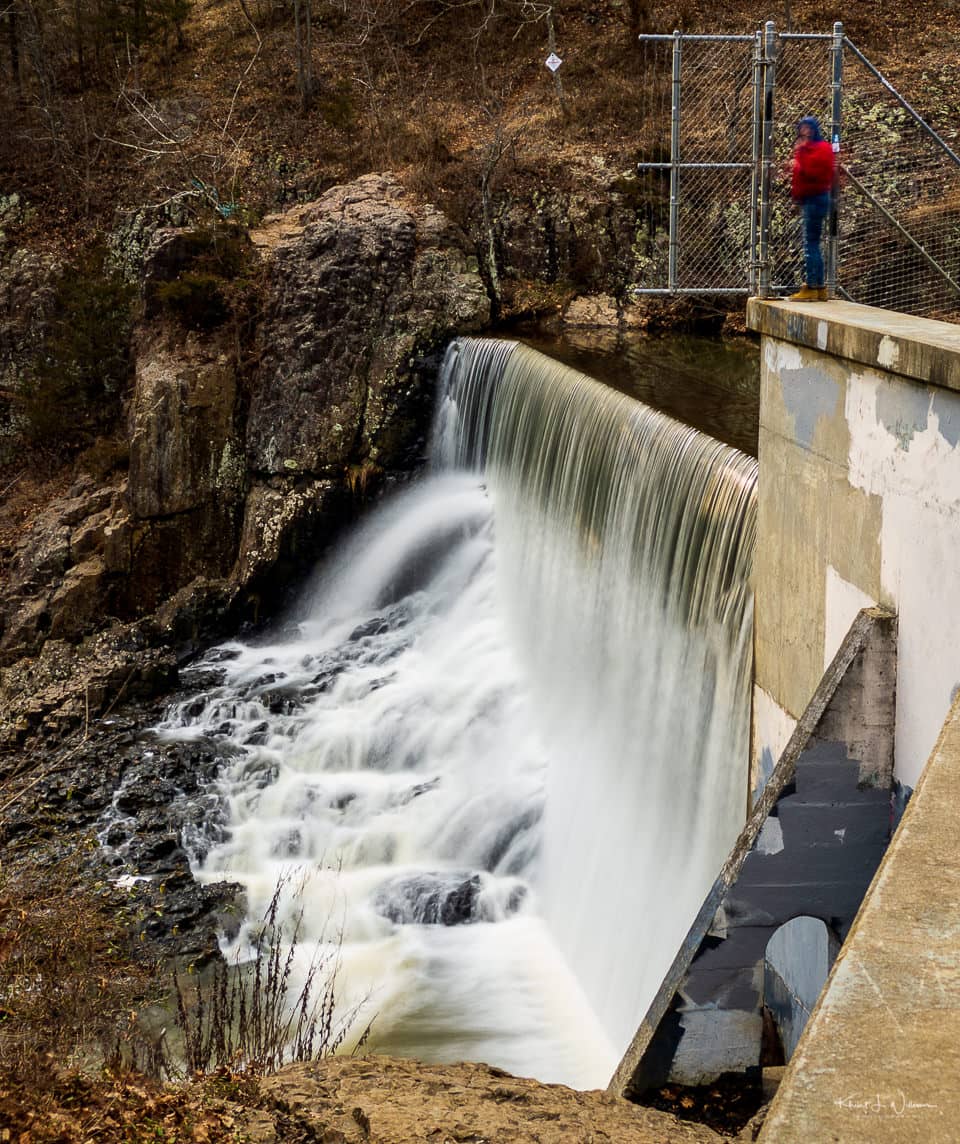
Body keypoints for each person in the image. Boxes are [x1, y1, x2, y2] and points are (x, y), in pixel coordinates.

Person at [789, 116, 835, 301]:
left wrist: (800, 153)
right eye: (803, 128)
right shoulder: (818, 148)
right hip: (814, 197)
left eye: (808, 128)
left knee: (811, 244)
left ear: (814, 130)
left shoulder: (816, 149)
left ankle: (812, 286)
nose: (804, 132)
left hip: (814, 198)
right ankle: (820, 286)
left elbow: (809, 172)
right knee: (814, 243)